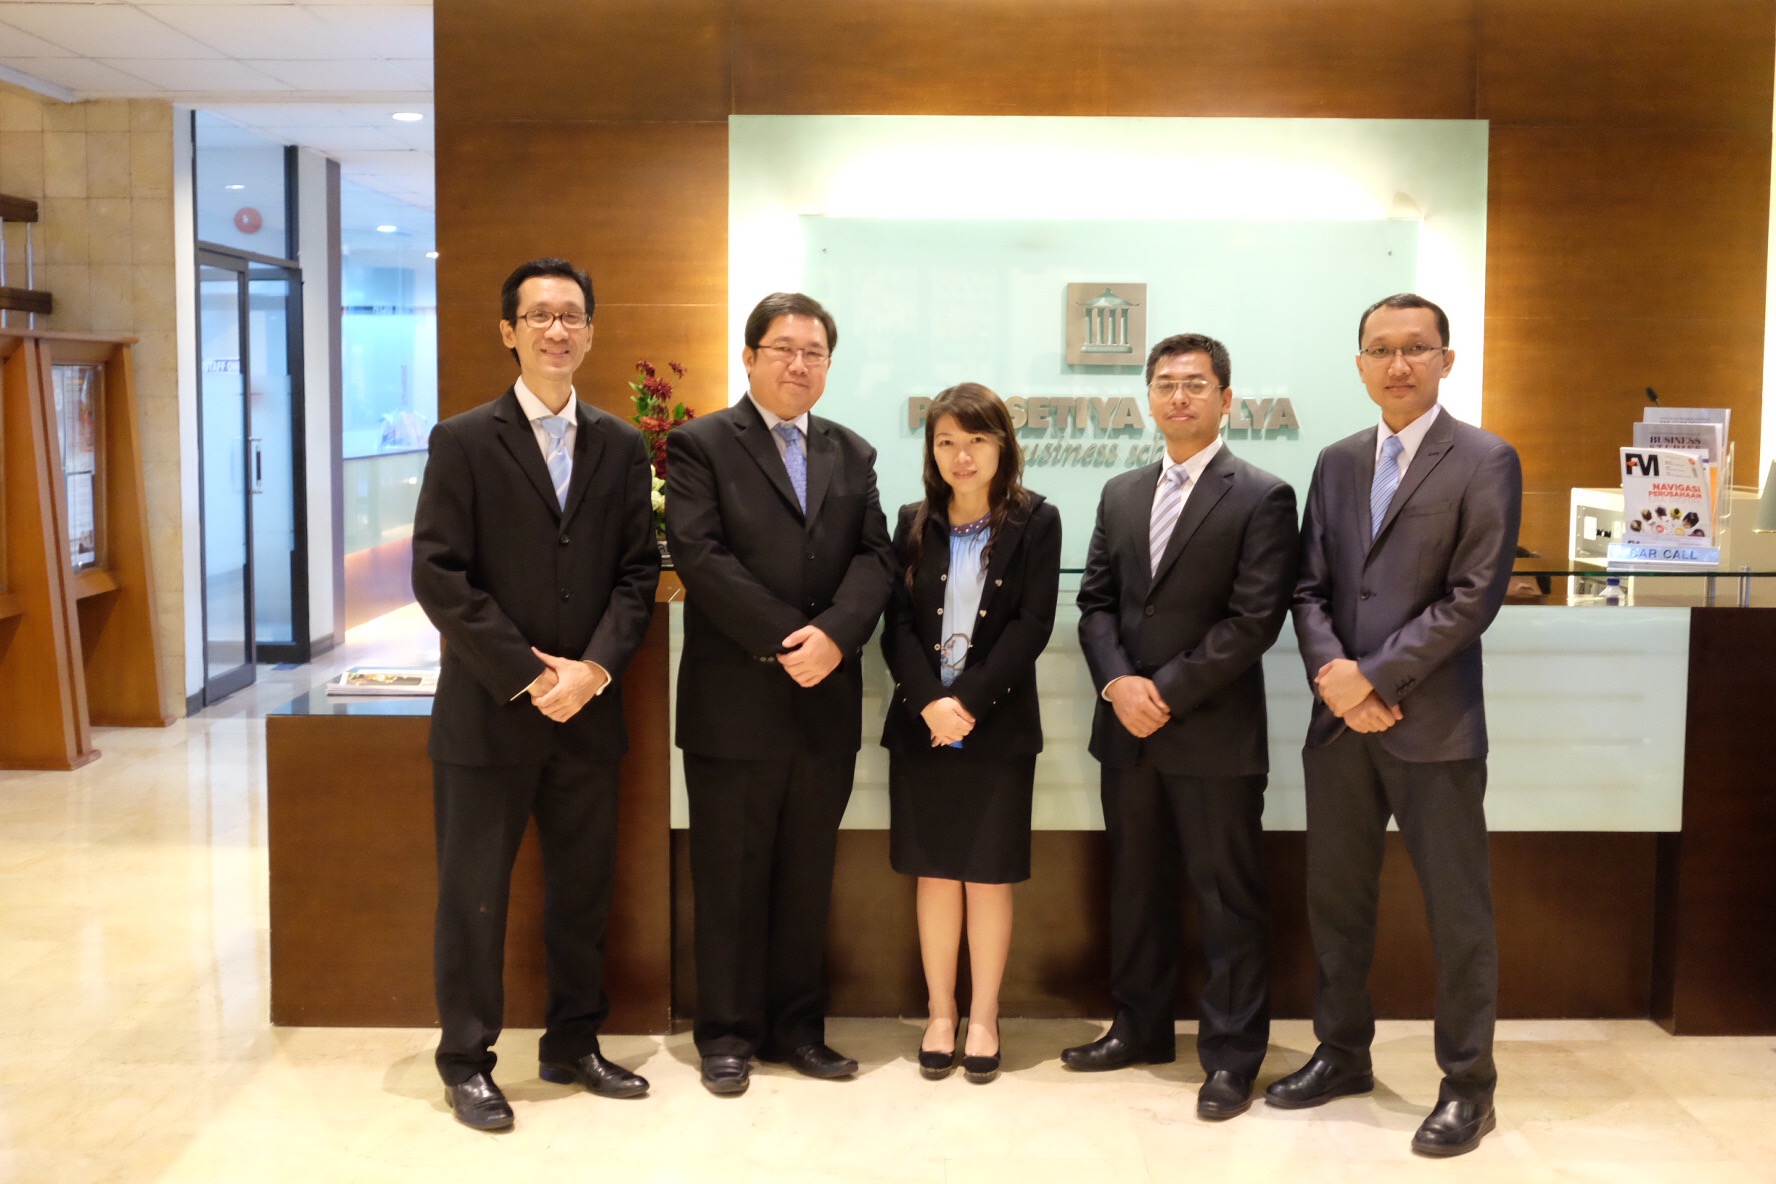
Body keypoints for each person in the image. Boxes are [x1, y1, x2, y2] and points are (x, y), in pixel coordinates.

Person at [410, 257, 662, 1130]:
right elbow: (439, 575)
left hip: (588, 713)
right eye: (540, 315)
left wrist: (591, 671)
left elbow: (637, 575)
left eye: (572, 316)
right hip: (488, 715)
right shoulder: (463, 440)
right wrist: (530, 672)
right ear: (509, 332)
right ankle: (466, 1061)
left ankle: (573, 1043)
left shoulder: (621, 445)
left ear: (590, 332)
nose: (558, 330)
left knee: (582, 892)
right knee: (473, 896)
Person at [1272, 293, 1521, 1158]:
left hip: (1434, 724)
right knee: (1337, 900)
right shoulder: (1338, 461)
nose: (1398, 363)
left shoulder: (1485, 459)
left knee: (1458, 910)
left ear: (1447, 359)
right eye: (1381, 349)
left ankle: (1469, 1087)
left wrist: (1371, 678)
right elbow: (1307, 587)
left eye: (1417, 348)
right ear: (1360, 365)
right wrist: (1337, 682)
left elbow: (1473, 597)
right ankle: (1341, 1053)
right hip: (1341, 726)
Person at [665, 292, 896, 1096]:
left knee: (807, 876)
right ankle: (727, 1035)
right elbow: (699, 554)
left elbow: (876, 557)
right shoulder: (700, 444)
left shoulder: (852, 452)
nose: (800, 364)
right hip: (734, 703)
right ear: (750, 356)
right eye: (784, 349)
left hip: (823, 702)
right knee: (728, 878)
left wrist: (835, 635)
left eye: (814, 352)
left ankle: (799, 1029)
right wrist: (791, 638)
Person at [1064, 333, 1299, 1120]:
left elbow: (1254, 620)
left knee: (1228, 899)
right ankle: (1139, 1027)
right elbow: (1096, 603)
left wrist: (1161, 692)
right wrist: (1117, 684)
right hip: (1127, 734)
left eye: (1196, 384)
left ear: (1226, 399)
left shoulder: (1262, 496)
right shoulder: (1121, 492)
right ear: (1149, 398)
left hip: (1213, 734)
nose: (1179, 396)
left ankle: (1231, 1058)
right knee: (1137, 888)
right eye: (1165, 384)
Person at [879, 383, 1063, 1085]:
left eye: (977, 440)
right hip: (921, 728)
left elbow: (1032, 625)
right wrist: (930, 703)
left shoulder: (1036, 521)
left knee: (987, 876)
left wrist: (968, 704)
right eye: (947, 442)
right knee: (934, 874)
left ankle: (984, 1017)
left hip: (998, 728)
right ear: (932, 450)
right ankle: (940, 1013)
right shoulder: (912, 522)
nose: (962, 456)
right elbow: (895, 626)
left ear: (1002, 446)